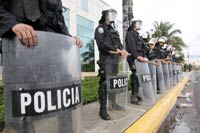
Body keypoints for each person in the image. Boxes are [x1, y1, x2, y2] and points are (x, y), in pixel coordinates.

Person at [0, 0, 82, 48]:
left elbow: (59, 22)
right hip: (21, 51)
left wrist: (69, 38)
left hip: (54, 56)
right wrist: (12, 23)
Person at [95, 9, 128, 120]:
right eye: (111, 14)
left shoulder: (114, 30)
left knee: (113, 83)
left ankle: (113, 104)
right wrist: (115, 49)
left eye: (115, 14)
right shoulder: (100, 28)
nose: (113, 16)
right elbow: (101, 44)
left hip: (115, 61)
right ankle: (103, 109)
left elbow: (119, 43)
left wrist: (123, 50)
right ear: (105, 16)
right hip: (105, 60)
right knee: (104, 83)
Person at [125, 18, 147, 105]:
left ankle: (136, 93)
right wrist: (137, 56)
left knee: (138, 77)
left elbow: (142, 48)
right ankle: (133, 96)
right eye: (138, 23)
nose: (140, 25)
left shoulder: (138, 35)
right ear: (133, 24)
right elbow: (131, 47)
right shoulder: (130, 34)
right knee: (135, 75)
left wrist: (144, 57)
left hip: (140, 59)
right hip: (134, 59)